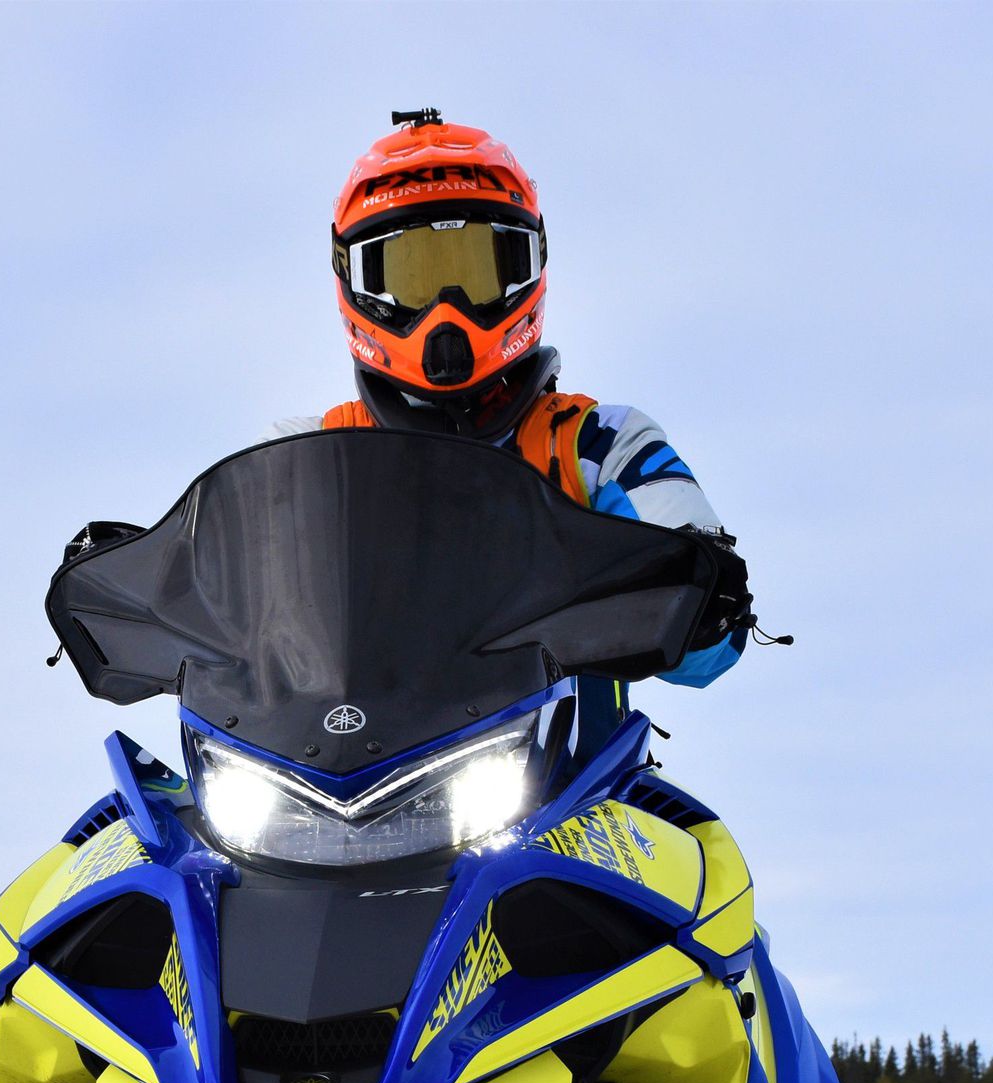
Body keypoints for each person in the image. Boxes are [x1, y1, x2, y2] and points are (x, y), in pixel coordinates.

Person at [281, 109, 744, 689]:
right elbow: (234, 593)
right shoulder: (306, 457)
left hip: (559, 755)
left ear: (530, 266)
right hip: (336, 754)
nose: (445, 313)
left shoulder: (601, 445)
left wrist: (703, 595)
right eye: (412, 277)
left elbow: (713, 647)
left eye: (479, 270)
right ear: (354, 280)